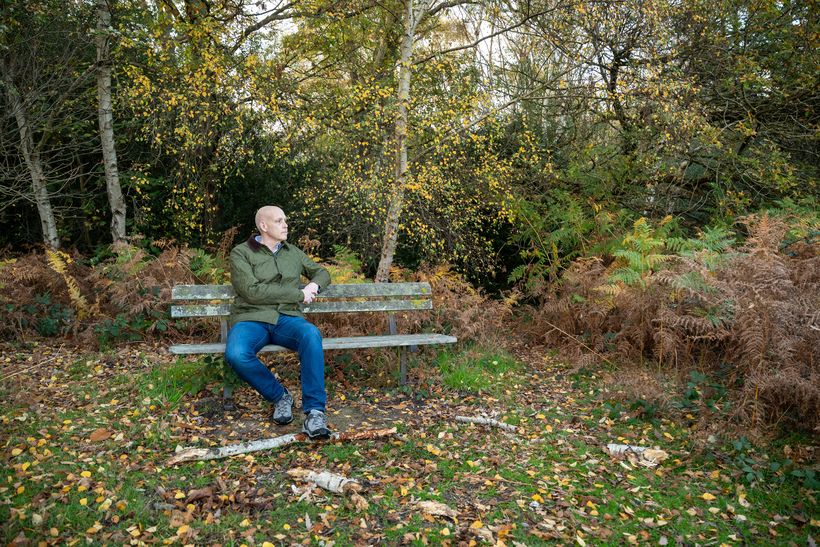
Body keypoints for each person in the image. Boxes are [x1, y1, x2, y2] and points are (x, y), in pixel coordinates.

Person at [225, 206, 332, 439]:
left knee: (311, 335)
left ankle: (314, 412)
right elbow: (252, 292)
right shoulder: (241, 253)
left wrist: (313, 286)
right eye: (279, 220)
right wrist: (297, 294)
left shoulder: (292, 252)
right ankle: (279, 396)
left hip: (287, 319)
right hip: (251, 318)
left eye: (285, 220)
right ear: (263, 226)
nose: (285, 225)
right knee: (236, 353)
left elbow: (322, 272)